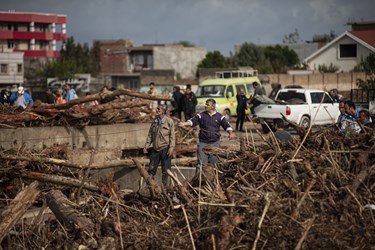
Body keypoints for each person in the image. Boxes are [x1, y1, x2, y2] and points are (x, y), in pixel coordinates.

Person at [178, 98, 234, 174]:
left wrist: (230, 133)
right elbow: (192, 121)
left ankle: (213, 181)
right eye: (206, 104)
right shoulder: (201, 115)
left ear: (213, 106)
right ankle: (198, 181)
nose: (205, 106)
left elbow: (227, 126)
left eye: (207, 104)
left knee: (214, 164)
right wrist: (184, 123)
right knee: (200, 164)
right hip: (203, 143)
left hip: (215, 143)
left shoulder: (219, 116)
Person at [143, 104, 176, 187]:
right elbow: (150, 134)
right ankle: (150, 187)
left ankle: (165, 188)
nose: (157, 110)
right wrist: (146, 145)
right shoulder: (155, 121)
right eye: (157, 109)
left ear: (163, 111)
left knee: (165, 170)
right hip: (155, 149)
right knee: (151, 169)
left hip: (165, 149)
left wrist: (171, 148)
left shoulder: (169, 121)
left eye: (159, 109)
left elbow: (172, 136)